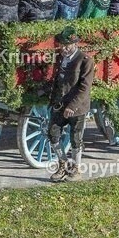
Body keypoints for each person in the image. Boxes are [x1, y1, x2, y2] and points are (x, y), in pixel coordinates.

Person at [47, 26, 95, 183]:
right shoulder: (61, 58)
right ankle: (63, 164)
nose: (64, 48)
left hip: (77, 107)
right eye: (62, 45)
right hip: (60, 104)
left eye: (67, 45)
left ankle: (76, 169)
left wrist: (72, 107)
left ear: (75, 44)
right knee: (53, 133)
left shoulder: (85, 60)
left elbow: (84, 88)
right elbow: (57, 81)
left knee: (76, 138)